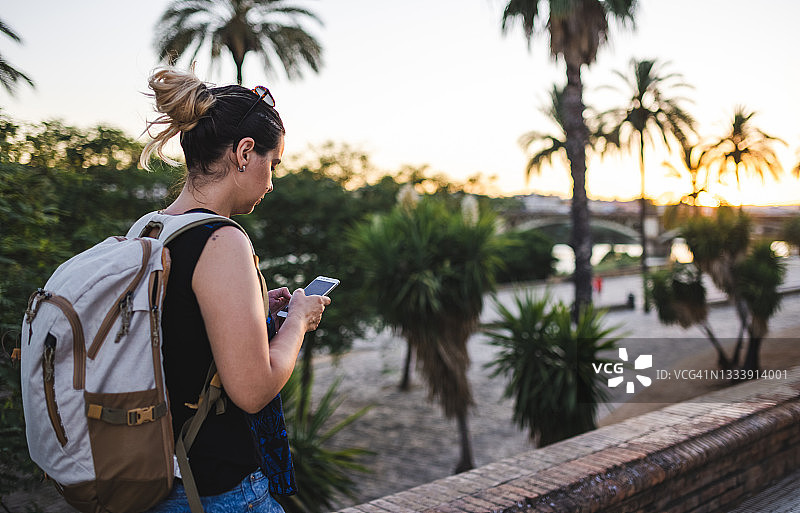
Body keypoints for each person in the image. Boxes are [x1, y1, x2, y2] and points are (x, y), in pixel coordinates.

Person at [140, 67, 330, 513]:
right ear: (245, 153)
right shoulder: (223, 240)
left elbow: (171, 331)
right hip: (216, 492)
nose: (270, 180)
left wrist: (253, 308)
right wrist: (297, 322)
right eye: (273, 164)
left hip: (155, 478)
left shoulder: (151, 229)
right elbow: (253, 389)